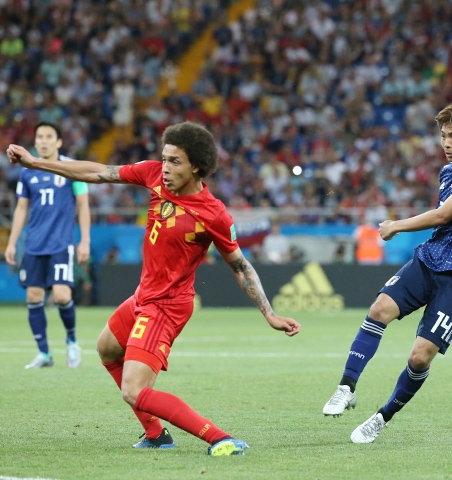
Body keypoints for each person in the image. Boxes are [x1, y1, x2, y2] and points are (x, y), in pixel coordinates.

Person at [7, 121, 301, 456]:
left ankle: (220, 438)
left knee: (133, 390)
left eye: (175, 161)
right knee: (106, 348)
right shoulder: (152, 175)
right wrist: (35, 162)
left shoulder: (214, 214)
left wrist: (269, 313)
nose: (165, 168)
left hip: (168, 305)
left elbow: (241, 266)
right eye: (164, 158)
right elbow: (99, 171)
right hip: (143, 297)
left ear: (196, 167)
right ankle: (156, 435)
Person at [322, 103, 452, 443]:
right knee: (379, 309)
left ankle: (383, 416)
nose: (446, 143)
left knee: (420, 355)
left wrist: (396, 226)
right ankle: (346, 387)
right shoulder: (447, 173)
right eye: (443, 136)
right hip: (430, 259)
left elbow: (443, 216)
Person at [4, 121, 90, 369]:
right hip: (33, 244)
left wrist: (85, 240)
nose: (43, 141)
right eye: (39, 136)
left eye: (49, 136)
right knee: (33, 295)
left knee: (62, 295)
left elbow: (83, 204)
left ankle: (72, 341)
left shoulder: (72, 168)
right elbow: (22, 208)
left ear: (59, 141)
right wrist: (12, 243)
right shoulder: (26, 170)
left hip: (61, 243)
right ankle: (44, 354)